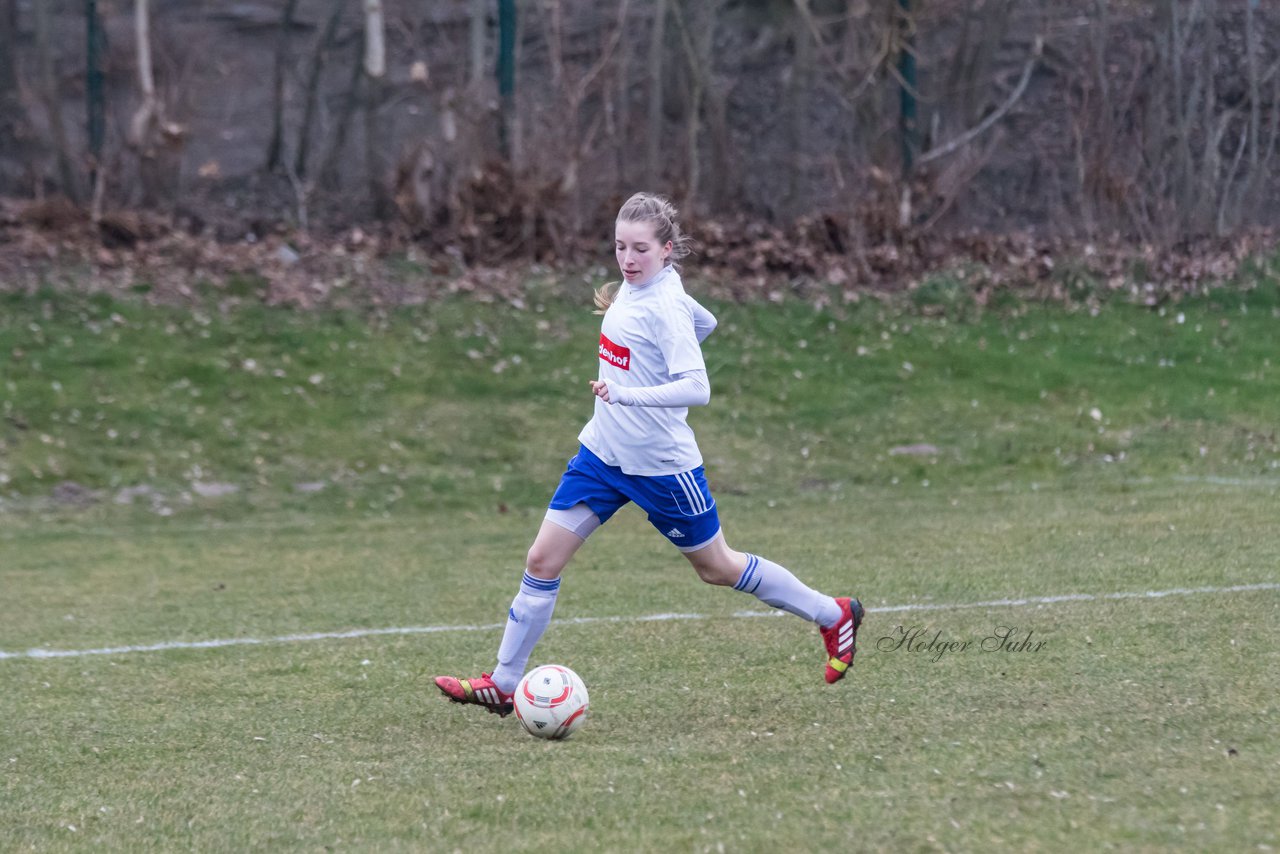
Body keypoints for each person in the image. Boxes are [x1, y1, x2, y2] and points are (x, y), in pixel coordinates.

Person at [434, 192, 864, 716]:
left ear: (666, 250)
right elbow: (706, 322)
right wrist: (633, 387)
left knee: (718, 568)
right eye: (619, 247)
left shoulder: (663, 306)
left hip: (662, 468)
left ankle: (832, 614)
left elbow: (697, 386)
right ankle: (504, 684)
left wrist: (632, 393)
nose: (627, 259)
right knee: (541, 559)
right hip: (602, 457)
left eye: (640, 249)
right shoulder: (648, 293)